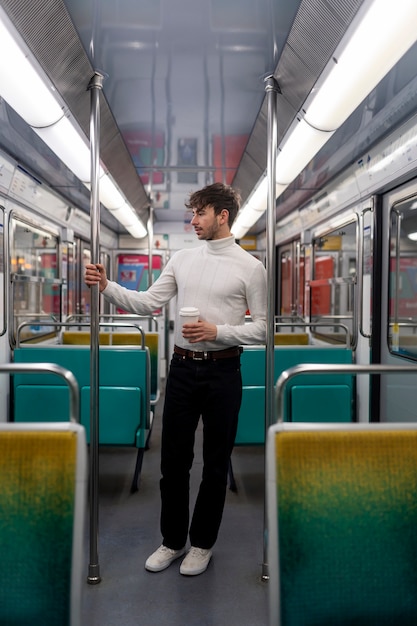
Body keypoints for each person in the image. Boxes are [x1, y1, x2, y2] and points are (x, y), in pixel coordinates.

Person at [84, 182, 267, 576]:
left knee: (216, 463)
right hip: (183, 369)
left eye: (200, 213)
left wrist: (218, 331)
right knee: (173, 463)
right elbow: (149, 302)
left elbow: (264, 330)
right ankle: (172, 540)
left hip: (224, 371)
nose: (193, 220)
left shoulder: (251, 268)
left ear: (223, 216)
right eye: (193, 213)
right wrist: (107, 287)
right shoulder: (182, 260)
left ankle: (202, 544)